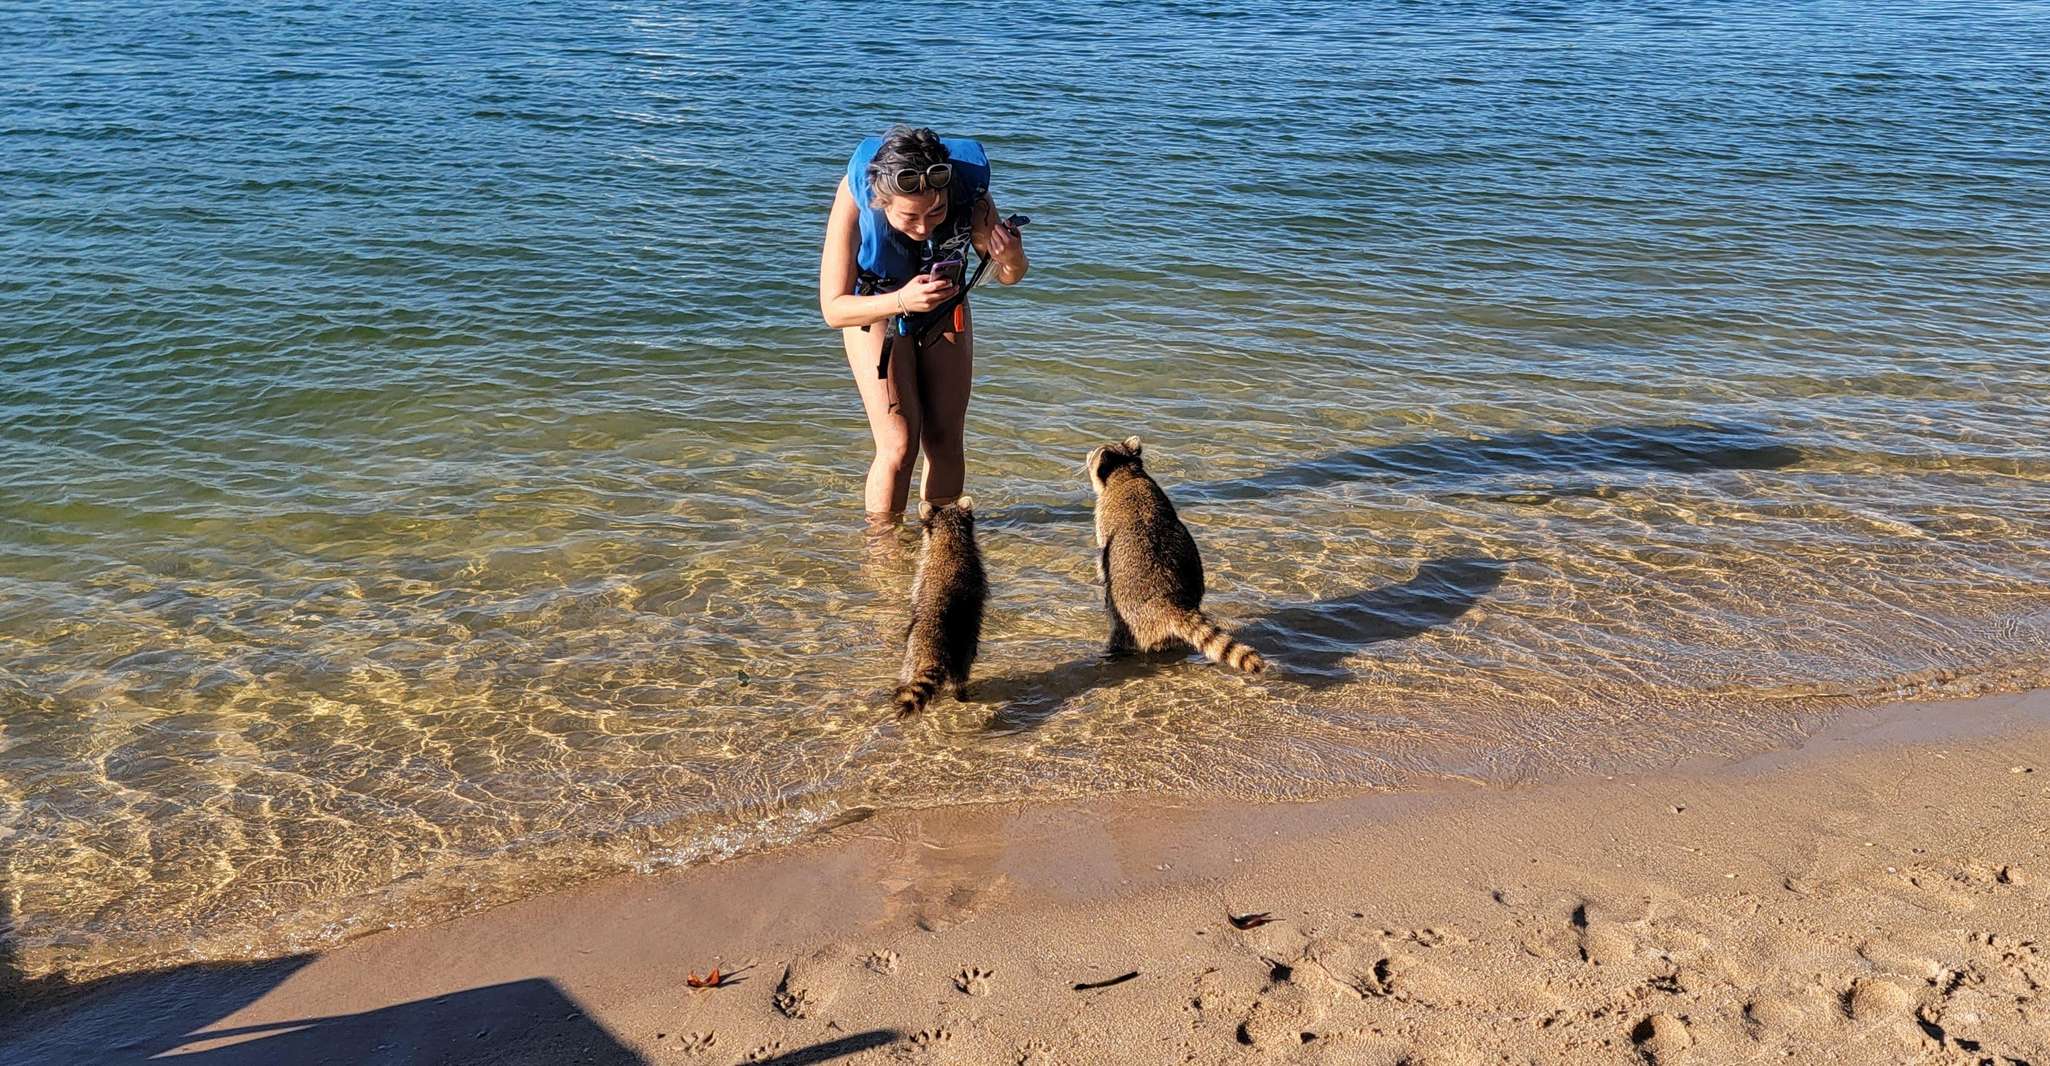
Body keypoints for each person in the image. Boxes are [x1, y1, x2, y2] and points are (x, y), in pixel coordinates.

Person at [819, 126, 1028, 527]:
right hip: (875, 310)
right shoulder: (856, 193)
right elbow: (834, 309)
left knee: (946, 440)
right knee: (898, 445)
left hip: (943, 308)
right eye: (909, 216)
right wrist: (901, 300)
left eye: (935, 212)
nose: (923, 227)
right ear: (881, 201)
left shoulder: (971, 196)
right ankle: (885, 558)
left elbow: (1009, 275)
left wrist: (1014, 258)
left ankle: (945, 545)